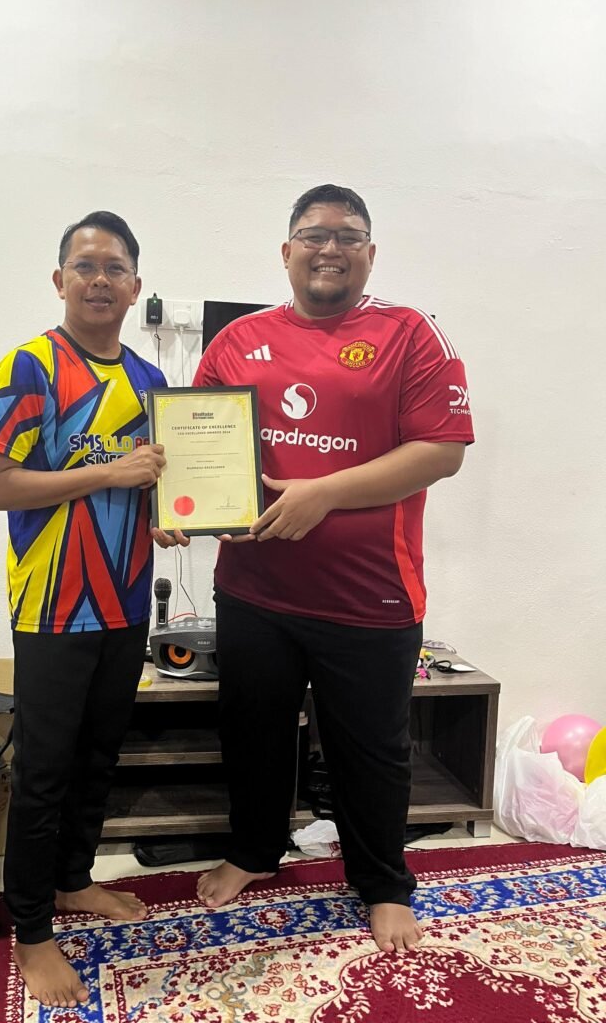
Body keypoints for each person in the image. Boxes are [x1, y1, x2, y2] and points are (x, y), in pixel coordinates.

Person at [189, 184, 474, 954]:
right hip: (253, 589)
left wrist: (322, 495)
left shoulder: (411, 335)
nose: (330, 248)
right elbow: (199, 444)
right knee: (253, 731)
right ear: (287, 252)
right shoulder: (238, 341)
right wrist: (183, 505)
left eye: (348, 236)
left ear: (370, 253)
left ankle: (382, 882)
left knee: (371, 748)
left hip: (370, 595)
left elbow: (440, 451)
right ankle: (255, 849)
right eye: (314, 235)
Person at [0, 211, 168, 1009]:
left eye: (115, 268)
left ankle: (73, 879)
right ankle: (31, 931)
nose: (99, 280)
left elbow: (155, 486)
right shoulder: (30, 367)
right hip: (53, 604)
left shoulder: (151, 381)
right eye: (85, 266)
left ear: (135, 286)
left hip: (126, 599)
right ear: (60, 280)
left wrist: (170, 512)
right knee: (46, 770)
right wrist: (108, 474)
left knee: (98, 757)